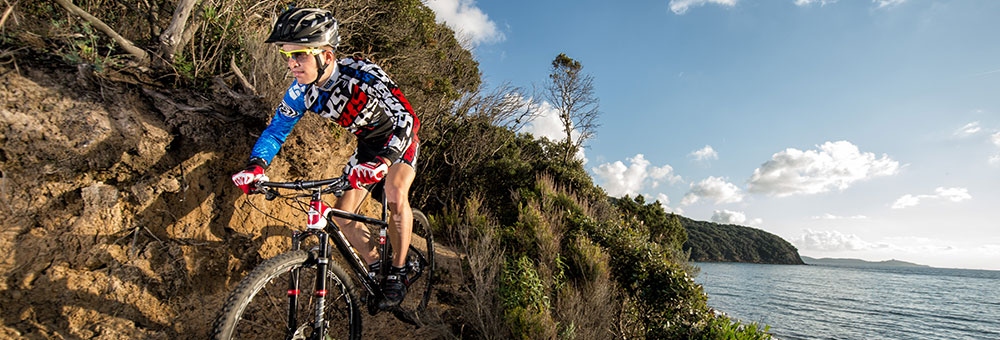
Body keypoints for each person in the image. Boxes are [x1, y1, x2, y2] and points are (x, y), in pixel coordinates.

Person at [230, 7, 419, 307]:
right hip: (367, 147)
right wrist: (256, 165)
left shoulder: (363, 76)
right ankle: (376, 267)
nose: (292, 64)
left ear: (327, 56)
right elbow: (277, 130)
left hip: (398, 141)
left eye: (300, 55)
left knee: (396, 195)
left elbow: (407, 119)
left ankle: (399, 271)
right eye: (287, 55)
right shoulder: (300, 93)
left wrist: (384, 162)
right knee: (343, 216)